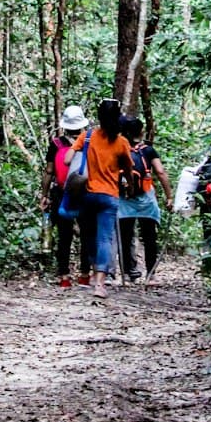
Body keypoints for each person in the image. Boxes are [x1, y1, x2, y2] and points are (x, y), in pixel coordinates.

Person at [68, 98, 134, 300]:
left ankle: (90, 272)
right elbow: (128, 169)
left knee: (89, 237)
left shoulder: (87, 137)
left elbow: (66, 159)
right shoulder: (121, 142)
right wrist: (129, 186)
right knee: (105, 238)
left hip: (87, 194)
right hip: (109, 195)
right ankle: (100, 283)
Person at [42, 104, 92, 287]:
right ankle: (85, 274)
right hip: (87, 191)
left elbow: (49, 171)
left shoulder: (56, 144)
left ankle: (64, 276)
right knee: (87, 233)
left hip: (61, 192)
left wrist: (44, 194)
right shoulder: (90, 142)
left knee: (64, 235)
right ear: (82, 125)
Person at [117, 116, 172, 282]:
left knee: (125, 238)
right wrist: (169, 196)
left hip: (124, 199)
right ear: (141, 132)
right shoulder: (148, 150)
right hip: (146, 199)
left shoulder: (119, 148)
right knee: (149, 237)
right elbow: (160, 172)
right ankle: (151, 273)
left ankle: (127, 273)